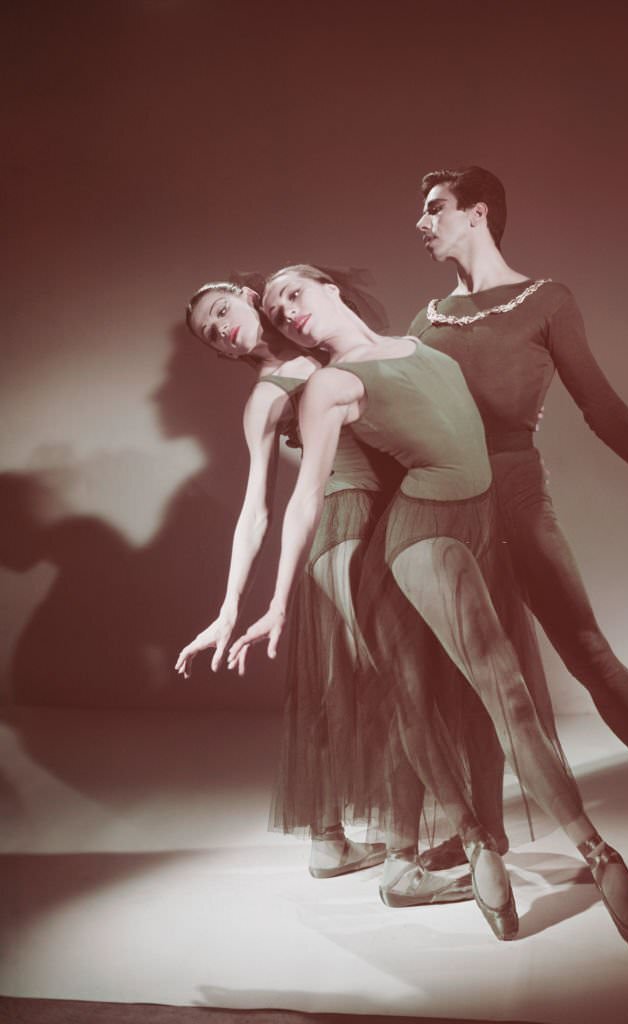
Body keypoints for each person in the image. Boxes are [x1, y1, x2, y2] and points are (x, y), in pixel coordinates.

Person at [228, 264, 628, 955]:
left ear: (329, 287)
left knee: (504, 698)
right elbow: (305, 497)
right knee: (445, 697)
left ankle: (582, 850)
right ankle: (493, 842)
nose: (287, 312)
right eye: (277, 311)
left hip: (475, 526)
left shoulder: (421, 347)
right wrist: (274, 602)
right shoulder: (327, 385)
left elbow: (472, 426)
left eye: (294, 294)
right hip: (421, 535)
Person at [409, 165, 628, 884]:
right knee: (467, 677)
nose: (421, 224)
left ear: (477, 214)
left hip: (515, 495)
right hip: (446, 504)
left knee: (586, 651)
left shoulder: (544, 298)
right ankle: (481, 831)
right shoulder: (425, 320)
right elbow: (400, 409)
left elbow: (598, 403)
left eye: (434, 209)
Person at [175, 279, 391, 879]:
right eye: (211, 335)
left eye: (222, 312)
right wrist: (229, 607)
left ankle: (402, 830)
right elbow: (257, 509)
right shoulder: (267, 397)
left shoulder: (327, 340)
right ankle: (338, 836)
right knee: (346, 680)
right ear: (221, 353)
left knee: (379, 673)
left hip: (399, 513)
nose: (223, 329)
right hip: (345, 527)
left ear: (248, 295)